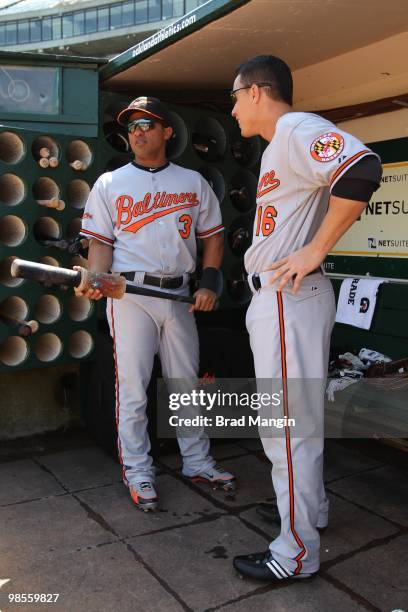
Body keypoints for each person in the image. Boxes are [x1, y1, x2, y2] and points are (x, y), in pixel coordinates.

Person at [230, 56, 382, 581]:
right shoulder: (281, 143)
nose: (231, 109)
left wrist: (317, 248)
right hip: (283, 300)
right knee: (296, 425)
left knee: (286, 429)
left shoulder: (295, 127)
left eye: (234, 96)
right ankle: (309, 513)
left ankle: (295, 553)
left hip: (287, 298)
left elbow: (363, 168)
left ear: (256, 92)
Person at [77, 96, 235, 511]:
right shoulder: (110, 184)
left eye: (148, 124)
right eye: (132, 126)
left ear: (167, 131)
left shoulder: (192, 181)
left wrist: (211, 283)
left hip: (181, 294)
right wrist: (96, 278)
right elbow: (100, 244)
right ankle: (138, 469)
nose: (139, 131)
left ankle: (197, 461)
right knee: (133, 387)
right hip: (130, 294)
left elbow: (214, 237)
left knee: (186, 384)